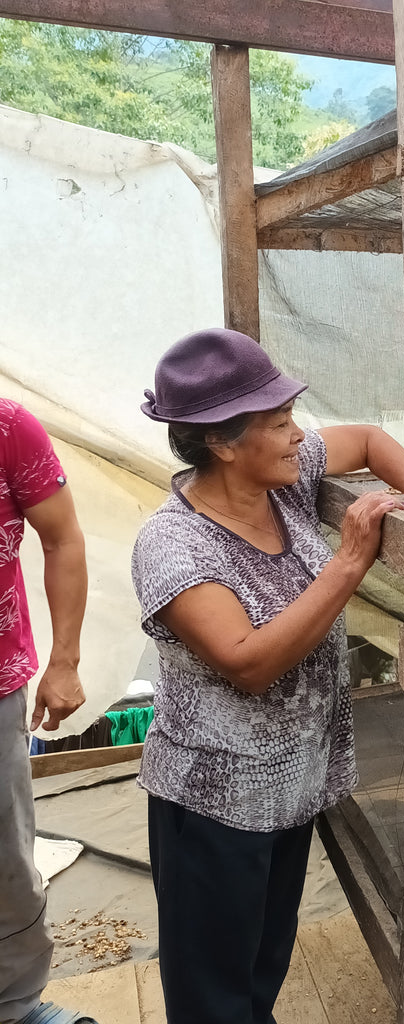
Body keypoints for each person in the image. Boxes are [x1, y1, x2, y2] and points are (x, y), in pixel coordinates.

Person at [132, 328, 404, 1024]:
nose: (296, 436)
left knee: (263, 961)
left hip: (290, 786)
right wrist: (348, 562)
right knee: (212, 990)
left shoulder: (280, 480)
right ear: (222, 443)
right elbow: (249, 662)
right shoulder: (172, 544)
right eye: (278, 423)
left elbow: (363, 439)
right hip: (215, 804)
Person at [0, 401, 92, 1024]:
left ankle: (14, 1005)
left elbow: (62, 537)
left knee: (5, 857)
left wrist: (64, 661)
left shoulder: (7, 426)